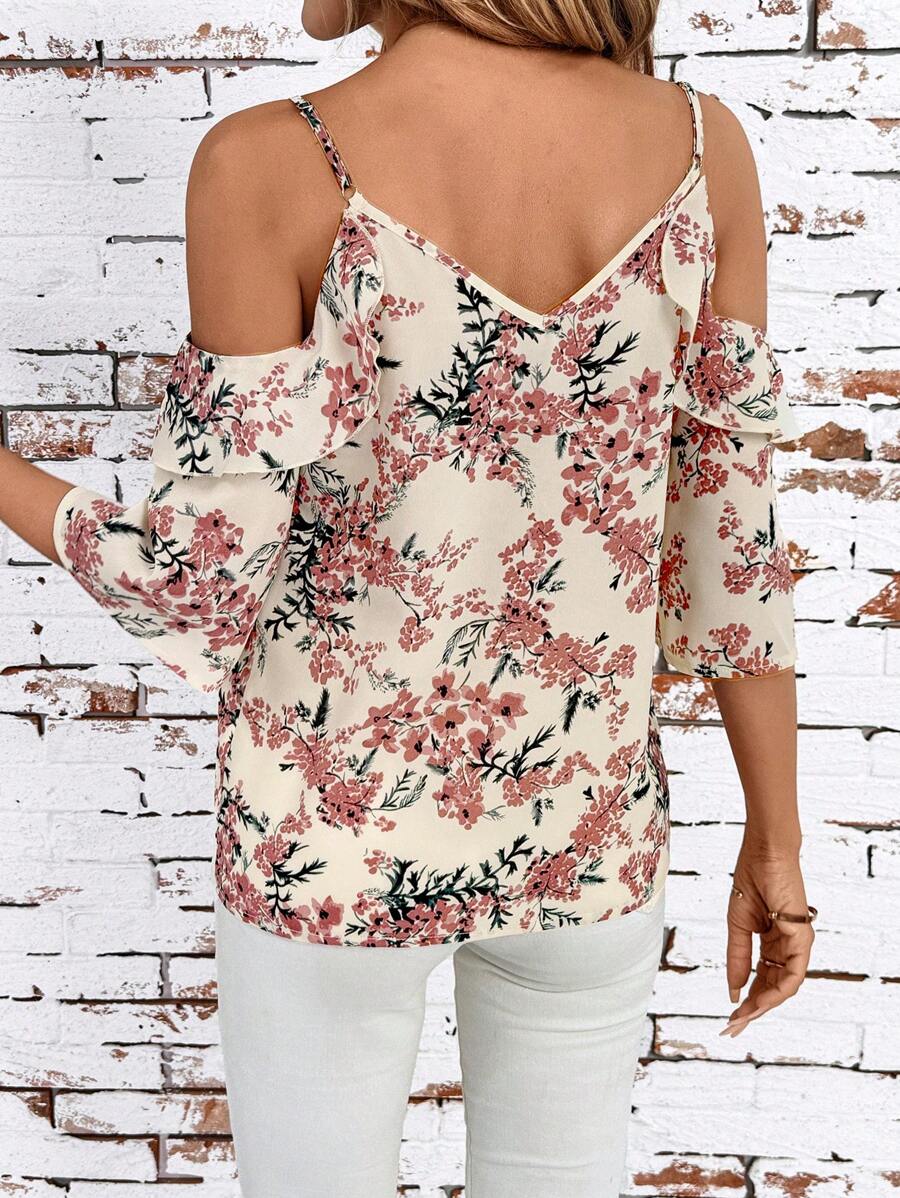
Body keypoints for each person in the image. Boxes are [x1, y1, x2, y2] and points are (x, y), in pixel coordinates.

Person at [1, 1, 817, 1194]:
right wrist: (777, 842)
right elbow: (731, 552)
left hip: (325, 851)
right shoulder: (703, 149)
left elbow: (193, 579)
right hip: (585, 841)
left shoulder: (270, 161)